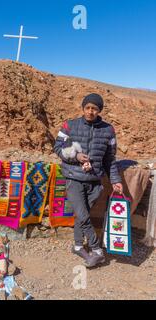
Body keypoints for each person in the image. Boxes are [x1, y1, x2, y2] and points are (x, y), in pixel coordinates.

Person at [54, 93, 123, 268]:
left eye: (95, 109)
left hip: (94, 181)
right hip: (73, 177)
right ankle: (96, 250)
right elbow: (58, 147)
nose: (91, 112)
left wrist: (115, 180)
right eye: (88, 108)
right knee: (83, 215)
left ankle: (78, 245)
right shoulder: (69, 125)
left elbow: (110, 159)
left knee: (81, 215)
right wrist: (75, 156)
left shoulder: (109, 130)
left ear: (99, 110)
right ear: (83, 108)